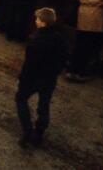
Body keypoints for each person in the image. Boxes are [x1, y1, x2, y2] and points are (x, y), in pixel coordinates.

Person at [16, 8, 69, 148]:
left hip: (34, 79)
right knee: (44, 105)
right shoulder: (60, 38)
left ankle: (27, 130)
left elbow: (29, 65)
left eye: (38, 19)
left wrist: (22, 78)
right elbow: (63, 59)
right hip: (50, 78)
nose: (36, 21)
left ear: (43, 23)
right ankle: (39, 133)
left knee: (21, 99)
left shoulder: (35, 41)